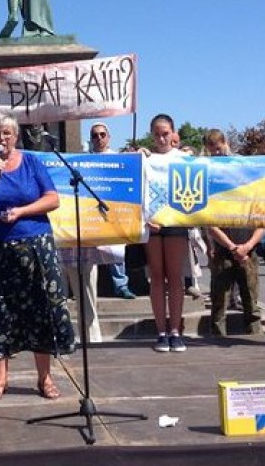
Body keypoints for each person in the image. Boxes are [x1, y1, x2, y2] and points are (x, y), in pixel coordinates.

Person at [0, 112, 75, 401]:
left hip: (34, 246)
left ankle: (45, 378)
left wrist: (22, 211)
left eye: (7, 134)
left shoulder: (32, 162)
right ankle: (0, 379)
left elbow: (53, 199)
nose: (1, 139)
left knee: (41, 310)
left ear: (15, 137)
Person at [202, 129, 265, 336]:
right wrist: (230, 246)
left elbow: (264, 220)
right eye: (213, 152)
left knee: (251, 302)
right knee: (219, 304)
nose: (217, 155)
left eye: (219, 149)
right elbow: (209, 222)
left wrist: (247, 246)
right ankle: (216, 341)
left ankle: (255, 340)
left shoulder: (245, 169)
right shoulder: (210, 178)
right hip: (224, 249)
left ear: (226, 143)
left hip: (248, 249)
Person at [138, 114, 189, 353]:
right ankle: (161, 331)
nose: (161, 138)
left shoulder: (184, 158)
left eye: (165, 133)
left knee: (176, 277)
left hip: (177, 222)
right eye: (157, 134)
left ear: (173, 133)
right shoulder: (145, 159)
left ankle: (176, 330)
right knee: (157, 277)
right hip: (153, 223)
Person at [88, 122, 136, 299]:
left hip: (113, 208)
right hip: (90, 209)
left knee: (116, 248)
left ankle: (121, 285)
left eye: (102, 135)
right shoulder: (84, 159)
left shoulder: (119, 158)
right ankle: (89, 289)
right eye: (95, 135)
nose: (99, 138)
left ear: (108, 137)